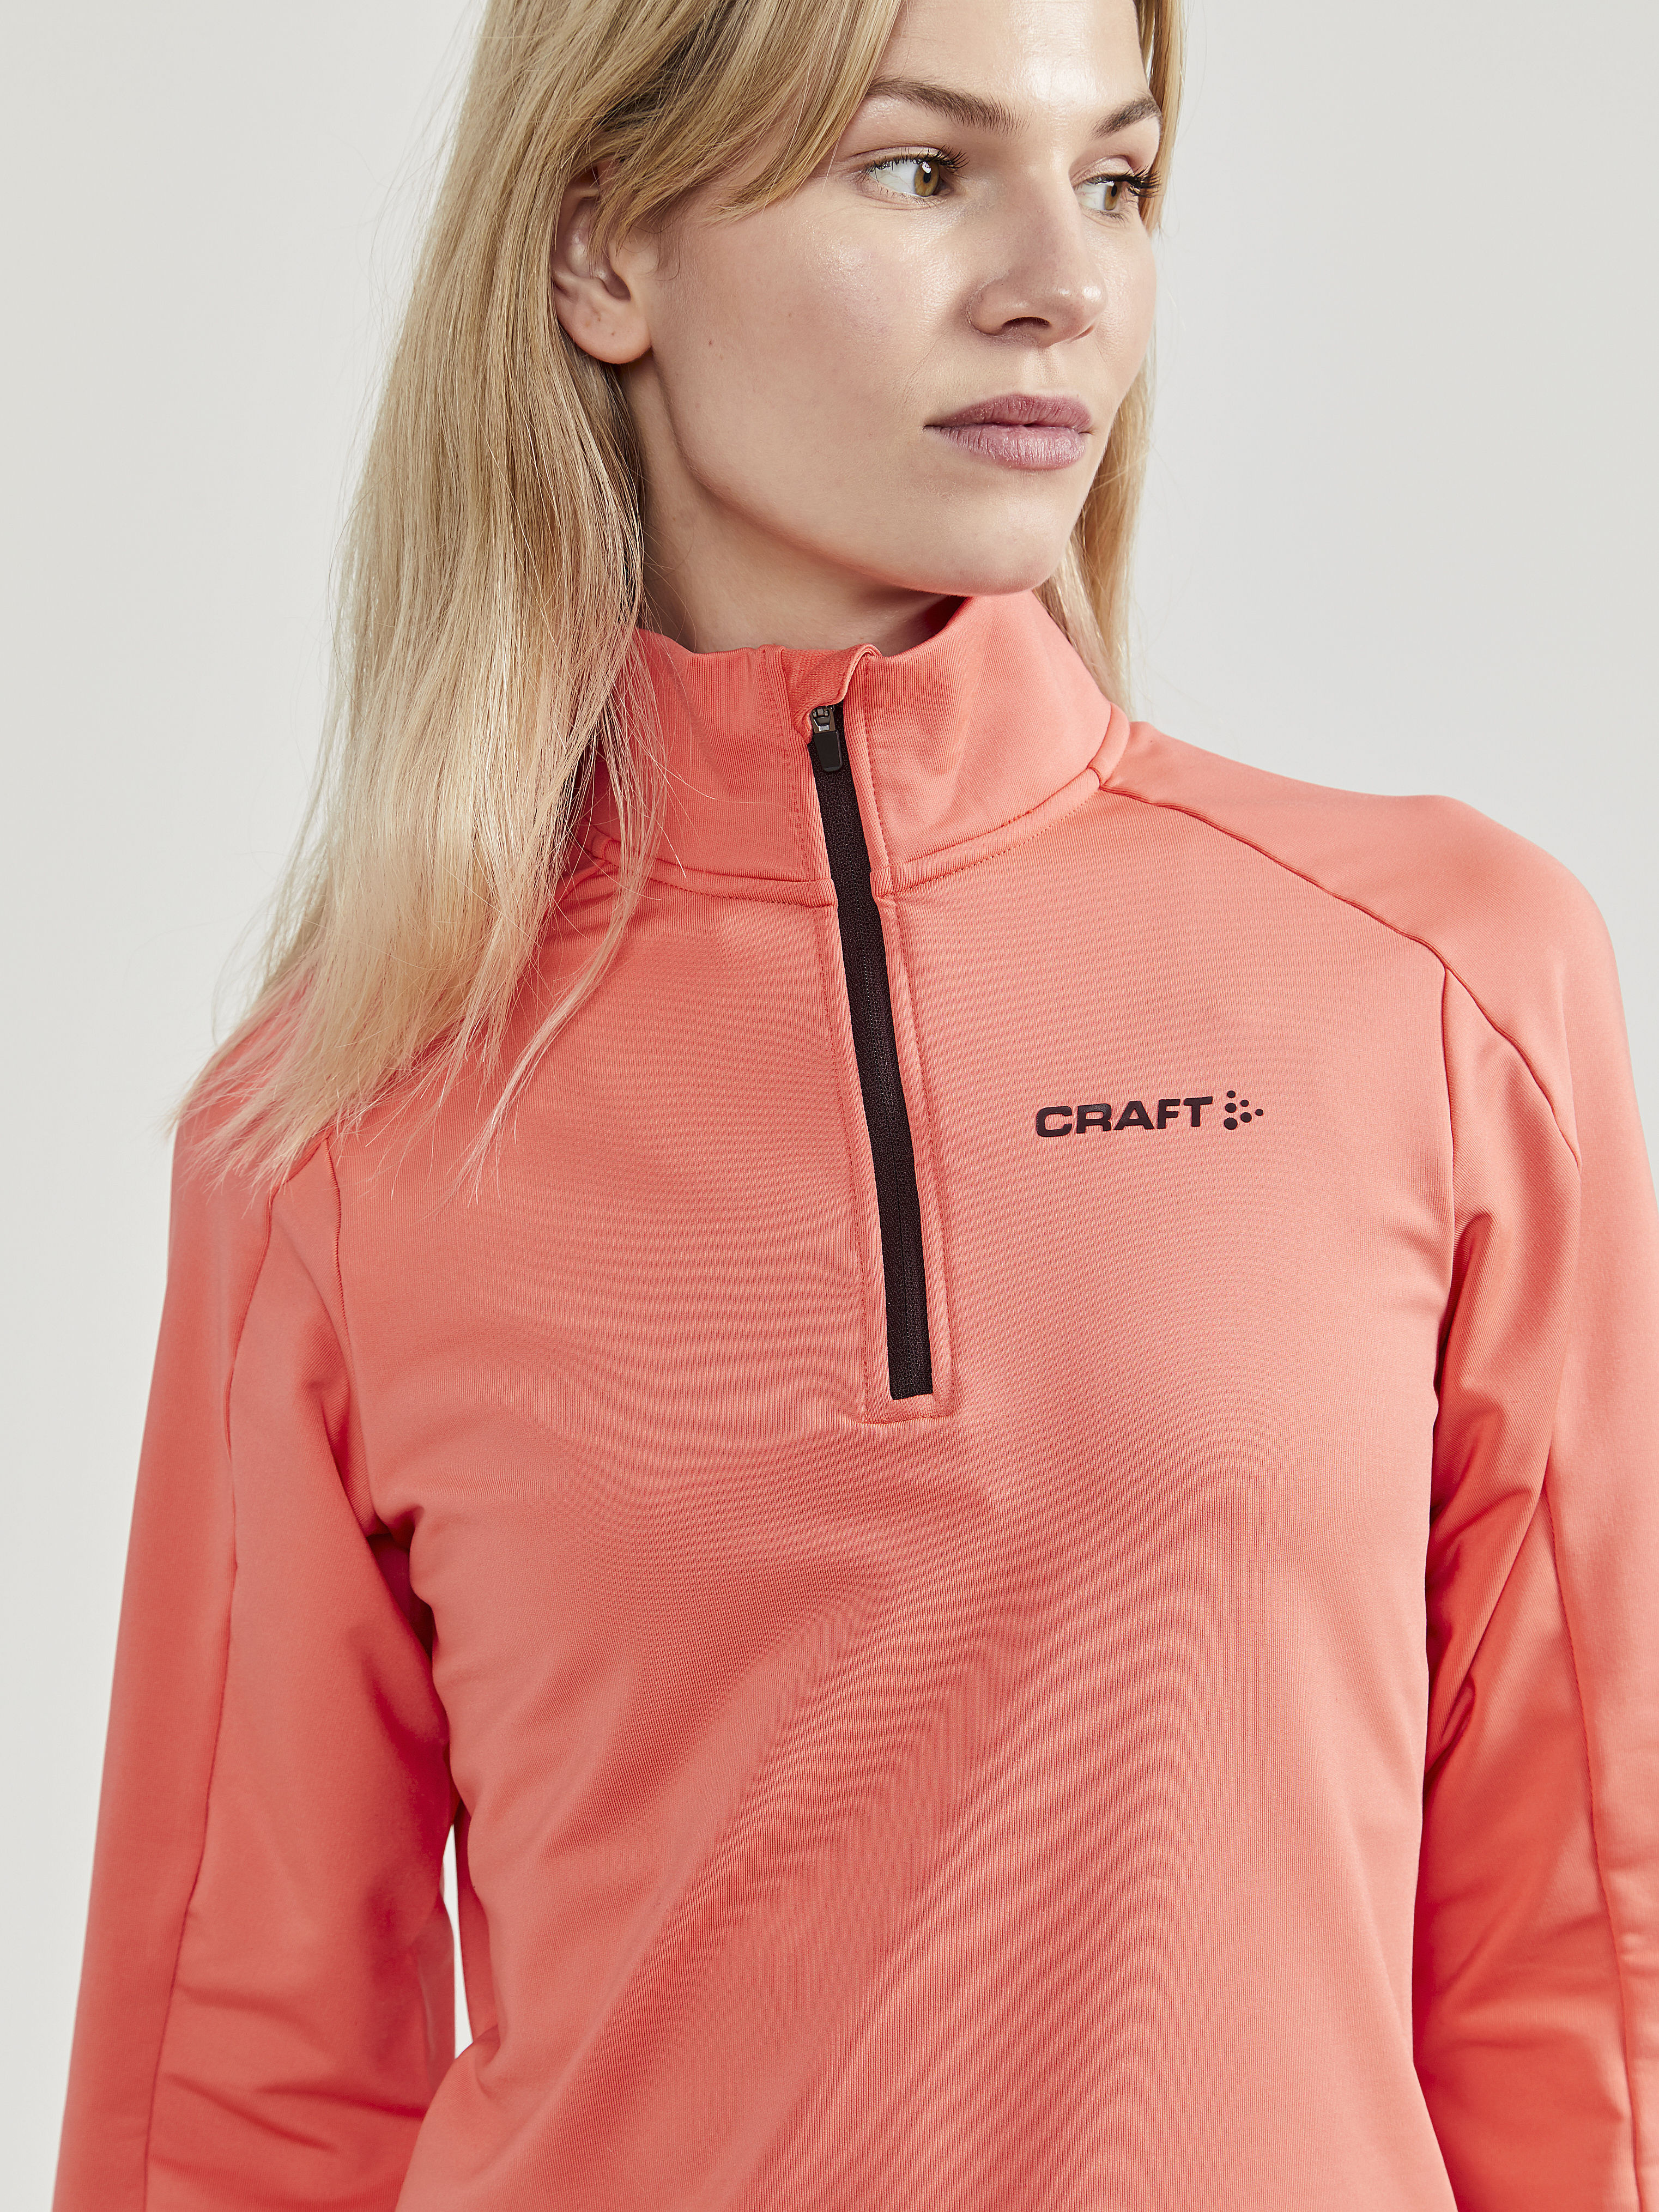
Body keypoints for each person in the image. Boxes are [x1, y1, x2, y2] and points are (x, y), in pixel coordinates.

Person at [52, 0, 1658, 2204]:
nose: (1060, 282)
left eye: (1114, 179)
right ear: (601, 251)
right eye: (919, 169)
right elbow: (233, 2090)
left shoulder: (1438, 987)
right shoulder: (337, 1127)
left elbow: (1580, 1962)